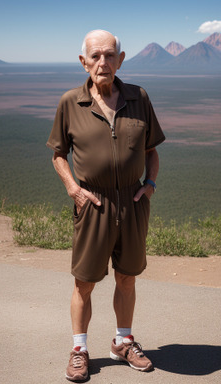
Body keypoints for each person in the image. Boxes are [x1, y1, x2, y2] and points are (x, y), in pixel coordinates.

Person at [46, 30, 165, 382]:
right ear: (84, 62)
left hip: (132, 202)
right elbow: (57, 154)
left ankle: (122, 341)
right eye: (95, 56)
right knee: (84, 282)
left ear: (121, 59)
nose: (103, 62)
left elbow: (152, 150)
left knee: (127, 277)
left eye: (110, 55)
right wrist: (73, 189)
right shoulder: (71, 102)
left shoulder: (138, 97)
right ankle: (80, 350)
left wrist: (150, 185)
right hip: (93, 204)